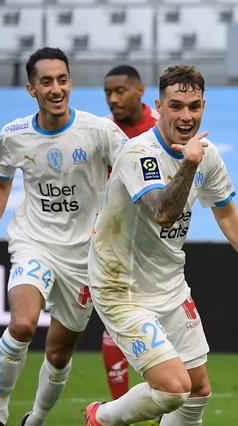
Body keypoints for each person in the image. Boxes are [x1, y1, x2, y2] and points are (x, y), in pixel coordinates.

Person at [83, 64, 238, 426]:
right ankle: (103, 419)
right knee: (173, 388)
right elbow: (162, 211)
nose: (186, 114)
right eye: (175, 105)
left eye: (194, 105)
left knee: (198, 392)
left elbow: (227, 212)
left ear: (203, 106)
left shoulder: (205, 153)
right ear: (158, 107)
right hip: (120, 285)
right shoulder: (140, 153)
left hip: (169, 283)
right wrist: (189, 163)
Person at [0, 47, 125, 426]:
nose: (56, 88)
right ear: (31, 89)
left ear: (70, 82)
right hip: (34, 242)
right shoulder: (13, 134)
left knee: (58, 355)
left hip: (84, 257)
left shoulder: (98, 131)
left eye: (62, 79)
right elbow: (0, 184)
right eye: (46, 81)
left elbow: (136, 169)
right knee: (23, 324)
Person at [101, 64, 160, 406]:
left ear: (139, 90)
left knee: (158, 317)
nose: (113, 99)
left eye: (120, 90)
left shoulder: (160, 127)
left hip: (155, 241)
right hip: (112, 240)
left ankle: (157, 394)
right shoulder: (104, 130)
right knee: (114, 323)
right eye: (108, 93)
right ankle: (119, 402)